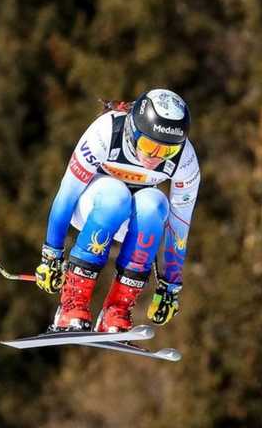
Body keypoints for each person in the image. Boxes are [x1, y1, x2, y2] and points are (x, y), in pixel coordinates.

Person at [35, 88, 200, 333]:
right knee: (115, 195)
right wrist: (52, 255)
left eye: (167, 151)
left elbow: (179, 227)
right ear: (134, 130)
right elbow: (66, 195)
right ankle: (72, 304)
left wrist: (170, 287)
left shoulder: (184, 160)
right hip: (93, 208)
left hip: (132, 222)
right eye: (148, 145)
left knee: (155, 204)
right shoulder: (106, 133)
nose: (155, 157)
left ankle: (117, 309)